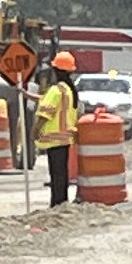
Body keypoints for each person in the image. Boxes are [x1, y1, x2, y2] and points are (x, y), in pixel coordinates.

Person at [34, 50, 82, 203]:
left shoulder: (56, 90)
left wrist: (35, 130)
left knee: (56, 175)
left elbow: (46, 112)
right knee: (61, 174)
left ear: (56, 71)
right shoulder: (69, 90)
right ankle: (61, 201)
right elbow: (45, 100)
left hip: (54, 138)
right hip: (65, 139)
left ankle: (57, 202)